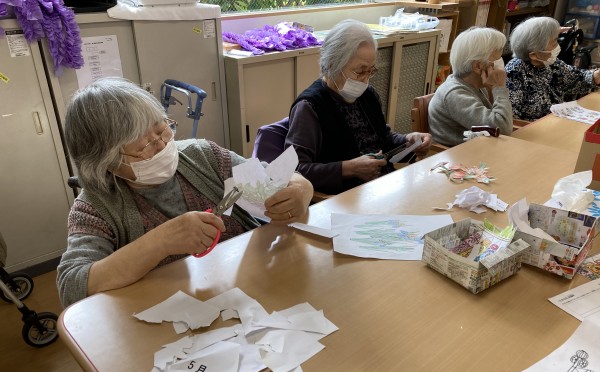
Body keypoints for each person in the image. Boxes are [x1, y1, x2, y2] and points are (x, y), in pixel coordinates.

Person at [57, 77, 313, 308]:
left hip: (250, 293)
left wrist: (302, 187)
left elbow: (275, 179)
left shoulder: (203, 156)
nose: (162, 146)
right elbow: (71, 285)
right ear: (106, 161)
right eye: (145, 146)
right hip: (171, 318)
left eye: (162, 130)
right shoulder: (95, 207)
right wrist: (161, 241)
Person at [285, 19, 431, 195]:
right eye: (360, 71)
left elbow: (383, 139)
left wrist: (409, 141)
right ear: (332, 65)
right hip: (346, 197)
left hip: (382, 187)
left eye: (371, 70)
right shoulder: (310, 107)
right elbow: (296, 171)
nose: (365, 79)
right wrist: (349, 168)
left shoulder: (367, 95)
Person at [428, 27, 513, 147]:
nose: (502, 63)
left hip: (481, 148)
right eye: (498, 59)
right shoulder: (455, 94)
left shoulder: (478, 84)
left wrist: (492, 89)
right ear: (478, 66)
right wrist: (499, 88)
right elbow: (502, 128)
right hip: (458, 155)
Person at [506, 16, 600, 121]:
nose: (558, 46)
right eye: (554, 42)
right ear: (534, 55)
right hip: (533, 127)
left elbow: (576, 79)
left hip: (556, 120)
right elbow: (511, 116)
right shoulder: (515, 71)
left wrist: (596, 75)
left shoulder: (552, 63)